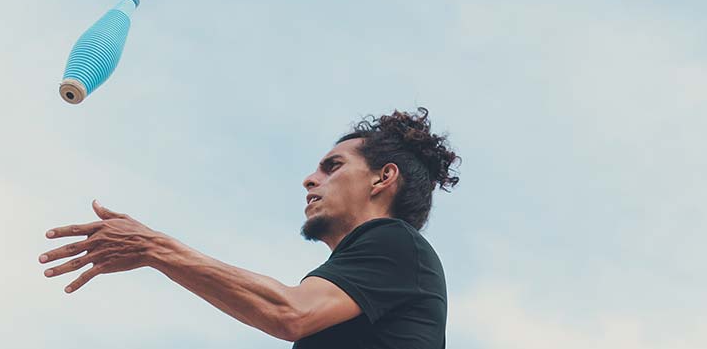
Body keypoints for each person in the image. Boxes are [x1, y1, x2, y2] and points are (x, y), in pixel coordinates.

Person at [39, 108, 460, 348]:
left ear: (382, 179)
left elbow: (289, 313)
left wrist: (155, 248)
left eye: (332, 167)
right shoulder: (375, 275)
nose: (310, 179)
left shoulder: (395, 243)